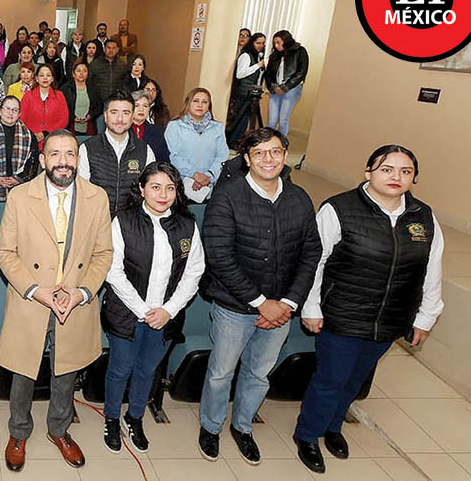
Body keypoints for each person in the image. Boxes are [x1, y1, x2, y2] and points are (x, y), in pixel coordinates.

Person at [292, 145, 444, 474]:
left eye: (405, 171)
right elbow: (315, 262)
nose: (396, 177)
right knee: (331, 379)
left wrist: (426, 317)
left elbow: (432, 271)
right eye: (387, 169)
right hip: (342, 314)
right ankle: (308, 434)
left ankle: (333, 427)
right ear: (369, 172)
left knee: (355, 380)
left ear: (414, 178)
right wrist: (311, 306)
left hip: (390, 318)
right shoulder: (339, 209)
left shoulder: (424, 217)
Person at [197, 127, 321, 465]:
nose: (269, 159)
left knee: (258, 373)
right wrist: (260, 303)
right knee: (221, 372)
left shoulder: (299, 198)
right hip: (234, 307)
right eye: (260, 153)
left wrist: (288, 303)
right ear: (247, 159)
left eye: (275, 151)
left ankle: (243, 426)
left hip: (281, 308)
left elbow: (311, 253)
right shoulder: (227, 196)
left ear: (285, 155)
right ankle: (211, 426)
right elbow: (219, 256)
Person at [0, 129, 113, 472]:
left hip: (73, 301)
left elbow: (103, 254)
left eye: (70, 154)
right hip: (31, 299)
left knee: (66, 369)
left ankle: (59, 429)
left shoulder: (97, 197)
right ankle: (19, 431)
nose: (63, 162)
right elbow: (6, 253)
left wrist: (81, 292)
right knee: (24, 370)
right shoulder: (20, 196)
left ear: (78, 159)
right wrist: (35, 290)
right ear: (42, 159)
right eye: (55, 154)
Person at [102, 162, 203, 454]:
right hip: (127, 314)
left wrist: (168, 310)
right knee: (120, 370)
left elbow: (194, 272)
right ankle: (111, 419)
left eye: (170, 188)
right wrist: (142, 310)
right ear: (142, 188)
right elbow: (113, 271)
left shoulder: (187, 225)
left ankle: (134, 417)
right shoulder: (123, 221)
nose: (163, 195)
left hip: (166, 318)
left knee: (147, 371)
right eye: (156, 187)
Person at [76, 94, 156, 216]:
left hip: (132, 220)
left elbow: (150, 191)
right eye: (114, 112)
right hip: (97, 218)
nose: (120, 119)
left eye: (126, 113)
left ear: (132, 116)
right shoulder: (87, 148)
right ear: (105, 116)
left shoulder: (145, 150)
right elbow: (81, 191)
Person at [165, 88, 228, 204]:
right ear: (188, 103)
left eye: (204, 102)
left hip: (209, 187)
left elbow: (222, 156)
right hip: (180, 185)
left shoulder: (217, 128)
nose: (200, 105)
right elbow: (172, 156)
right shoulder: (175, 126)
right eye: (196, 101)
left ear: (209, 105)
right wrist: (194, 174)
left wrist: (208, 176)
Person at [0, 96, 39, 201]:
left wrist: (18, 178)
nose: (11, 113)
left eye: (15, 110)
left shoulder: (28, 135)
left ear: (19, 114)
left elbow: (32, 161)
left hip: (20, 187)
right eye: (7, 109)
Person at [263, 30, 309, 137]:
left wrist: (286, 87)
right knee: (272, 120)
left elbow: (301, 72)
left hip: (291, 89)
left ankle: (281, 142)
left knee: (283, 119)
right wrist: (272, 86)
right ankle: (268, 141)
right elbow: (268, 73)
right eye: (274, 43)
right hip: (275, 89)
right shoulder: (274, 55)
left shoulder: (300, 51)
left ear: (286, 41)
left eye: (278, 42)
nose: (276, 45)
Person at [228, 33, 267, 147]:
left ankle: (238, 140)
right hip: (244, 92)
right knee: (239, 118)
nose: (260, 46)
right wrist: (257, 65)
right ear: (252, 43)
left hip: (253, 92)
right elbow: (240, 74)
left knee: (245, 119)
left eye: (263, 43)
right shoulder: (246, 55)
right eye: (258, 43)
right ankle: (232, 141)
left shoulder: (258, 56)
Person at [19, 64, 69, 145]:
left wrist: (46, 133)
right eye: (42, 75)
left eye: (48, 75)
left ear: (52, 79)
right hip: (32, 141)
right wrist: (32, 135)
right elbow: (22, 119)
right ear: (36, 78)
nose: (45, 78)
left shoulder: (59, 95)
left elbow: (64, 120)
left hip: (53, 140)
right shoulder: (28, 96)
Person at [59, 61, 101, 136]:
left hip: (89, 126)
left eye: (84, 71)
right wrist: (72, 117)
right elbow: (61, 108)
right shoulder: (65, 89)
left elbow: (99, 106)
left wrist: (90, 115)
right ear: (73, 74)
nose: (81, 73)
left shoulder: (93, 88)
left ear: (87, 74)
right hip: (70, 125)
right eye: (78, 71)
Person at [131, 92, 170, 163]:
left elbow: (164, 159)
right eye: (137, 105)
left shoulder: (157, 131)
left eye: (145, 106)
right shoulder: (122, 129)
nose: (141, 109)